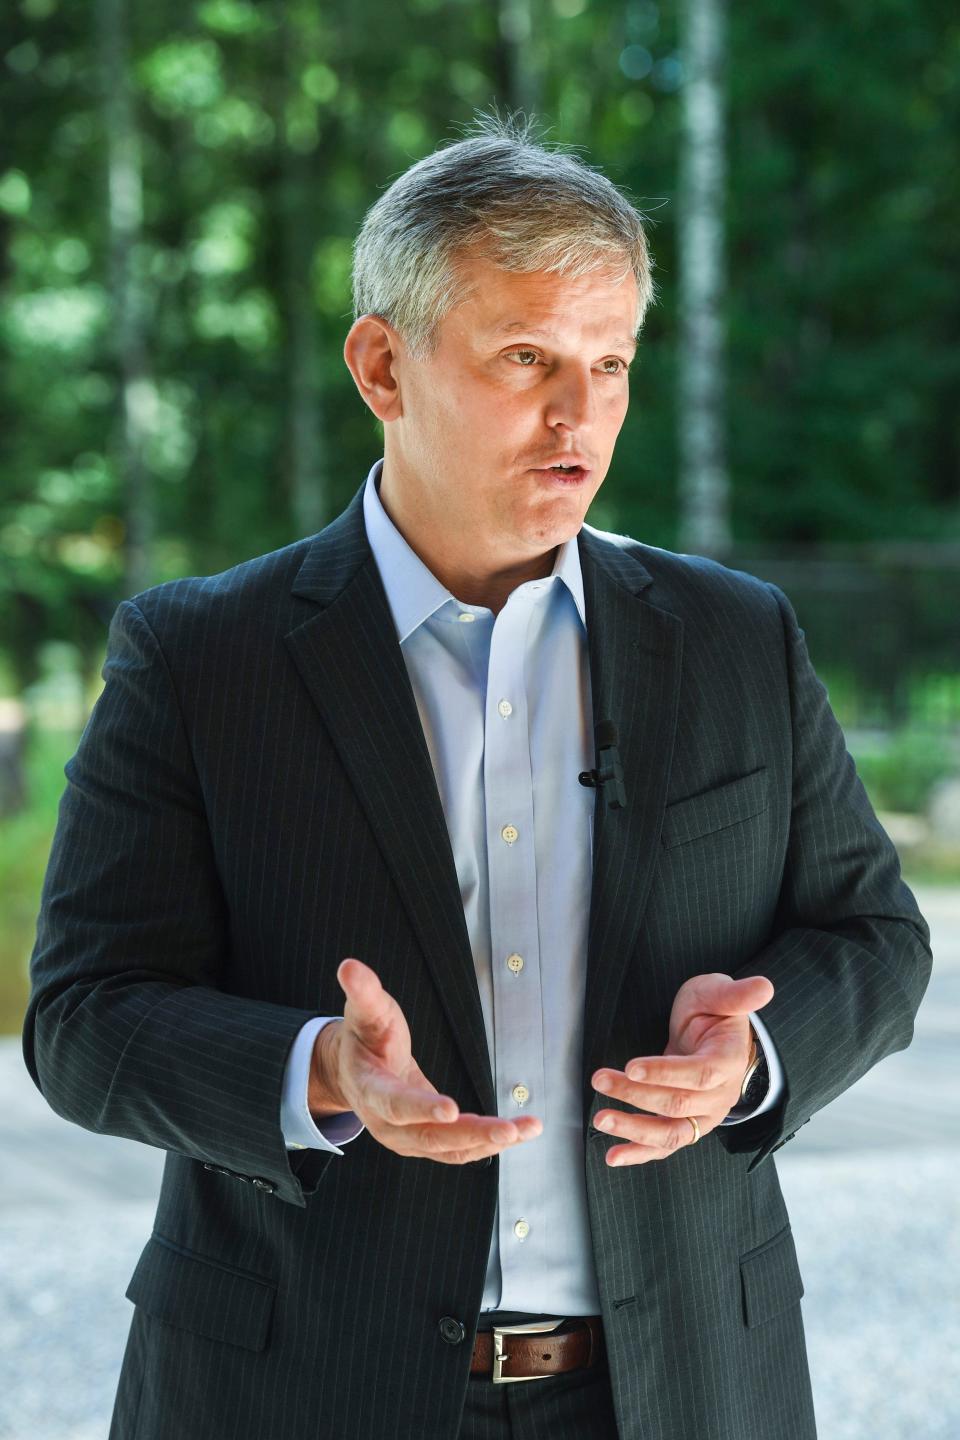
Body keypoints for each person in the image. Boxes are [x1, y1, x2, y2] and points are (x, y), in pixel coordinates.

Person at [23, 111, 931, 1440]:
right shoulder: (197, 656)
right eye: (527, 359)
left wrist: (756, 1056)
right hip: (297, 1392)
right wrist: (319, 1070)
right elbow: (83, 1021)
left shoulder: (738, 637)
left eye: (611, 364)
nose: (580, 417)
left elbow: (877, 939)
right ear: (383, 365)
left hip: (679, 1390)